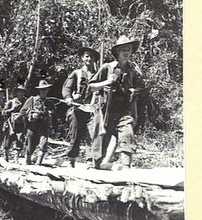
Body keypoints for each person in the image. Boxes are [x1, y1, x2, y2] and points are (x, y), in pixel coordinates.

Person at [88, 35, 144, 170]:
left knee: (127, 132)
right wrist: (107, 82)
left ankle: (126, 166)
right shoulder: (107, 68)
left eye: (129, 49)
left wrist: (134, 91)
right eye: (123, 49)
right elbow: (91, 87)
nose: (126, 52)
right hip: (106, 110)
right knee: (102, 139)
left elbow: (140, 88)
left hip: (124, 109)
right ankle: (94, 165)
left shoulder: (133, 71)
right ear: (117, 52)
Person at [61, 47, 100, 168]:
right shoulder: (76, 73)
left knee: (92, 134)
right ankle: (72, 159)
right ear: (83, 58)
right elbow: (66, 88)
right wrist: (68, 98)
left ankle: (90, 160)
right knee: (75, 134)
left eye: (91, 56)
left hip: (92, 108)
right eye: (87, 56)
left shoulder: (98, 75)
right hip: (77, 108)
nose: (89, 59)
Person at [19, 78, 55, 165]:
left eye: (46, 89)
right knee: (30, 146)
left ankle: (38, 164)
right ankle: (27, 162)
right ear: (39, 90)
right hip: (32, 127)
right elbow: (22, 112)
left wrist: (54, 128)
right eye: (42, 89)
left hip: (44, 127)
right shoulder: (32, 100)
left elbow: (54, 118)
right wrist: (31, 115)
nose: (44, 91)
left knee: (43, 145)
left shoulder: (50, 103)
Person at [2, 84, 27, 162]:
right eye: (19, 92)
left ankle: (16, 158)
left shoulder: (25, 102)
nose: (21, 94)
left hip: (21, 123)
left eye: (22, 92)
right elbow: (4, 113)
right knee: (8, 140)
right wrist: (12, 109)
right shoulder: (11, 102)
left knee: (19, 140)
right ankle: (6, 157)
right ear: (16, 92)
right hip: (11, 124)